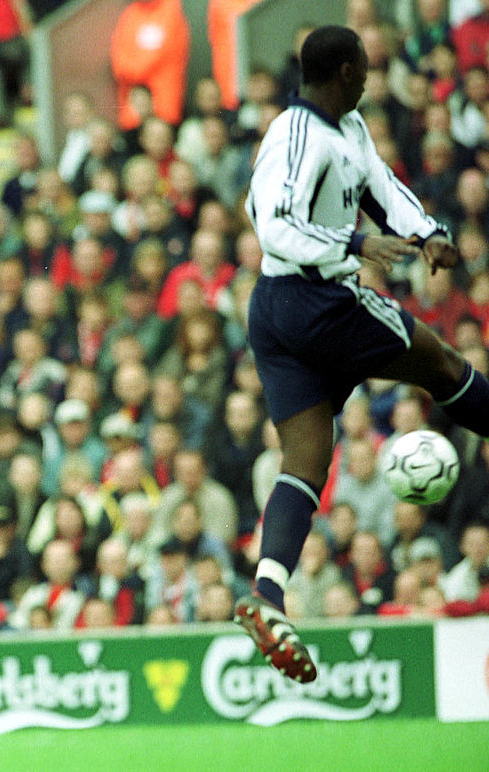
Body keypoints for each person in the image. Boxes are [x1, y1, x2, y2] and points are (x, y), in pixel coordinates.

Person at [235, 25, 480, 684]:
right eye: (365, 67)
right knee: (438, 361)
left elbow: (379, 185)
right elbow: (269, 218)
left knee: (306, 458)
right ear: (344, 70)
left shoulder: (348, 128)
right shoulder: (295, 135)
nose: (372, 76)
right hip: (315, 303)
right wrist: (353, 246)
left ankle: (269, 593)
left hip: (278, 313)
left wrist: (425, 232)